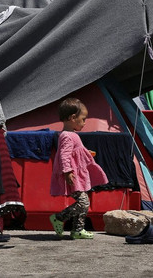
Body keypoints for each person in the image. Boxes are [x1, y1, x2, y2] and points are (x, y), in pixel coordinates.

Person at [49, 98, 108, 239]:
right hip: (72, 175)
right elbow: (64, 155)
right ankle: (59, 218)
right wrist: (67, 171)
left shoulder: (71, 135)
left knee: (84, 201)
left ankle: (77, 230)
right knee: (83, 202)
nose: (84, 122)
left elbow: (74, 152)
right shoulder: (67, 136)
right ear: (72, 118)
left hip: (76, 174)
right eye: (83, 119)